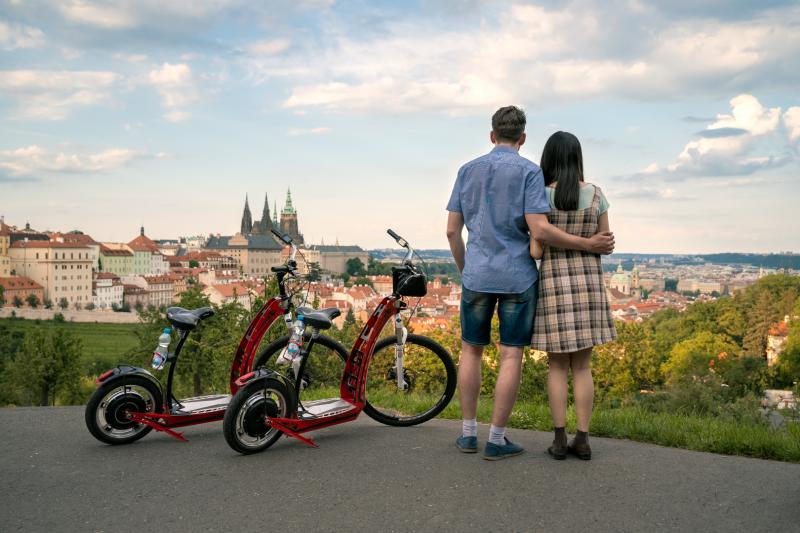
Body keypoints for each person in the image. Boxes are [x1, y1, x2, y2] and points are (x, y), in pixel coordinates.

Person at [446, 107, 614, 460]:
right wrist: (586, 245)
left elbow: (451, 230)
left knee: (470, 351)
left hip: (477, 273)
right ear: (522, 138)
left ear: (492, 135)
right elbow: (538, 230)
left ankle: (467, 434)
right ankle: (496, 438)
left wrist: (466, 269)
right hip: (518, 276)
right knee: (511, 355)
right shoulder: (530, 172)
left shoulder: (466, 170)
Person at [530, 131, 618, 461]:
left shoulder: (540, 195)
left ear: (548, 159)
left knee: (556, 367)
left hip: (554, 283)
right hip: (589, 285)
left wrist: (544, 241)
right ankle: (582, 439)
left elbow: (537, 250)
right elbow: (605, 243)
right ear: (577, 157)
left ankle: (557, 439)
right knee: (583, 367)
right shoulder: (596, 194)